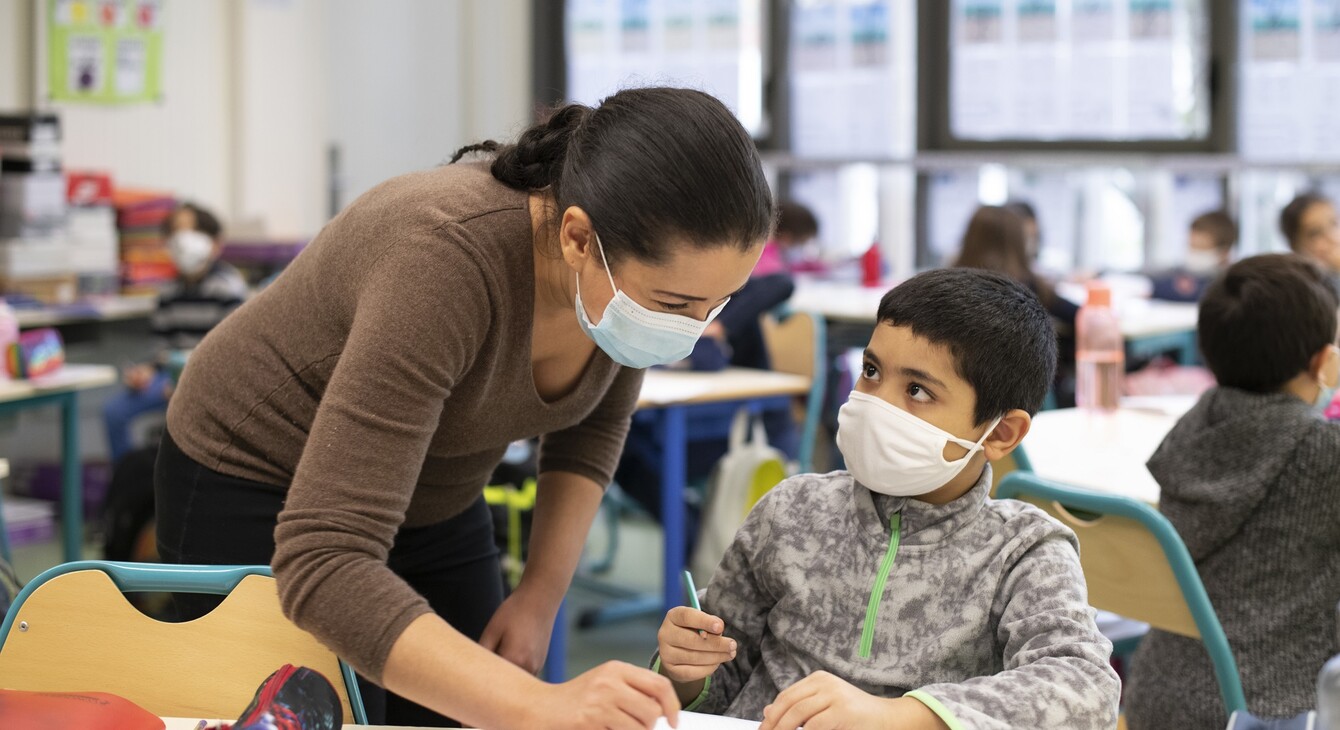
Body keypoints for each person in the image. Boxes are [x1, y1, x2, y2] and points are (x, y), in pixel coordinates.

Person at [155, 87, 775, 728]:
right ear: (578, 238)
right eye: (673, 305)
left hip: (436, 489)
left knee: (470, 704)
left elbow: (593, 422)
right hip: (257, 474)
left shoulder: (614, 291)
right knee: (323, 712)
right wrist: (538, 704)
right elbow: (326, 559)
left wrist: (539, 597)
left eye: (717, 305)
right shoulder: (444, 257)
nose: (690, 332)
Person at [655, 268, 1121, 729]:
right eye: (871, 371)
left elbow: (1084, 690)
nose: (876, 403)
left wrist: (897, 715)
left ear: (1000, 432)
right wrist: (683, 674)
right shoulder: (791, 510)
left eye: (917, 390)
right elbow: (721, 675)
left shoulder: (1022, 550)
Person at [1124, 254, 1340, 729]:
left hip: (1157, 693)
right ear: (1323, 361)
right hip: (1278, 710)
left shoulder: (1196, 425)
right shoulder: (1323, 452)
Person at [102, 202, 246, 465]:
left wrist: (187, 382)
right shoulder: (168, 293)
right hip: (169, 379)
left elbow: (231, 356)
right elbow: (161, 349)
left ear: (213, 242)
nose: (179, 241)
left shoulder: (228, 290)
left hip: (208, 383)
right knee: (114, 412)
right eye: (173, 233)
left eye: (186, 232)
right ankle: (126, 488)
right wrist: (147, 371)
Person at [954, 204, 1077, 406]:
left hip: (965, 391)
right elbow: (1077, 314)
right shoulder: (1032, 286)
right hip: (1027, 397)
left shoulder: (949, 283)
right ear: (1019, 243)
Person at [1149, 210, 1237, 302]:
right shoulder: (1175, 273)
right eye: (1191, 246)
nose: (1194, 253)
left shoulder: (1230, 286)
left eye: (1201, 248)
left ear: (1224, 253)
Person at [1279, 192, 1340, 293]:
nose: (1333, 238)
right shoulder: (1300, 290)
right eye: (1315, 233)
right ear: (1295, 246)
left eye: (1334, 223)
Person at [751, 201, 820, 277]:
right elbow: (777, 270)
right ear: (786, 237)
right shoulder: (765, 254)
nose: (800, 247)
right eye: (801, 242)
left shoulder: (774, 252)